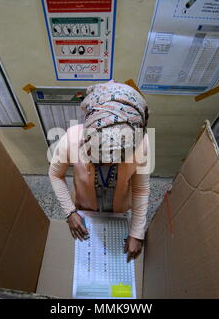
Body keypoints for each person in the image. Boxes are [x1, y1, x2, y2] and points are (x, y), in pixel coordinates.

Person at [48, 80, 150, 261]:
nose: (106, 165)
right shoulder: (72, 138)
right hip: (83, 207)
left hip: (119, 210)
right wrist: (70, 212)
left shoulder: (141, 144)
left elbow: (140, 189)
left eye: (116, 160)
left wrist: (136, 232)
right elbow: (55, 174)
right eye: (98, 158)